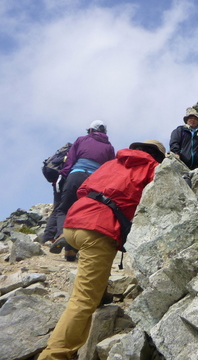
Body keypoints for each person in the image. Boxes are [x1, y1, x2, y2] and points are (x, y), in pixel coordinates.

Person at [38, 140, 166, 360]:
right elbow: (160, 200)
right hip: (99, 230)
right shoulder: (153, 167)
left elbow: (83, 188)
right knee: (82, 301)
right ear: (157, 156)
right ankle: (54, 355)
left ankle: (99, 290)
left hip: (75, 220)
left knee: (95, 266)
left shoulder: (112, 162)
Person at [49, 121, 115, 261]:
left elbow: (70, 160)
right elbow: (110, 168)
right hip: (94, 182)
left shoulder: (81, 140)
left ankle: (62, 234)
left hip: (76, 175)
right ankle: (71, 253)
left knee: (64, 209)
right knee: (80, 214)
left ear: (90, 129)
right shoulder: (109, 147)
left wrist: (63, 176)